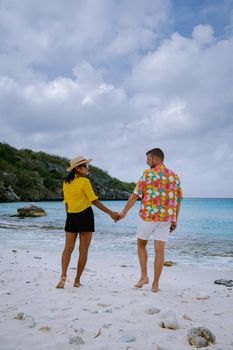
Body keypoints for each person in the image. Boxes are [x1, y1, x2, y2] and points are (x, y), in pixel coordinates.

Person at [117, 148, 183, 292]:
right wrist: (175, 220)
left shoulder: (148, 174)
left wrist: (123, 212)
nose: (147, 162)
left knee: (141, 244)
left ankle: (144, 277)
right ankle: (155, 285)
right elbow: (178, 200)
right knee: (160, 252)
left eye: (148, 159)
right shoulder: (174, 176)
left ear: (155, 158)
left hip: (148, 216)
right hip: (166, 218)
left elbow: (135, 195)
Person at [56, 155, 118, 289]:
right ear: (77, 169)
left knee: (68, 249)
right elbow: (94, 200)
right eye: (84, 166)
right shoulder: (84, 181)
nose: (87, 168)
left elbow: (66, 203)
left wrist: (70, 217)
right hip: (85, 216)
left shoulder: (66, 183)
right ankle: (77, 281)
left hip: (71, 217)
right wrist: (111, 213)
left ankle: (63, 275)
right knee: (83, 250)